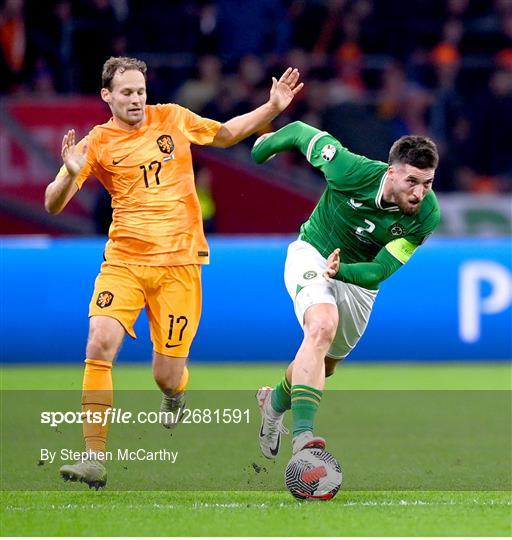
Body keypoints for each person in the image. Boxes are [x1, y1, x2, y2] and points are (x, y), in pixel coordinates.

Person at [44, 56, 303, 489]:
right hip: (124, 262)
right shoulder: (96, 143)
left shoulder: (173, 119)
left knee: (165, 374)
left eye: (140, 91)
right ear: (107, 96)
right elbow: (53, 203)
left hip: (179, 266)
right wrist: (70, 176)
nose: (136, 99)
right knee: (99, 342)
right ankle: (93, 456)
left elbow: (227, 133)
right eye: (126, 92)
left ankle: (174, 392)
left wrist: (273, 107)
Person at [252, 122, 440, 458]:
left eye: (427, 183)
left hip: (356, 278)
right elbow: (298, 131)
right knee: (321, 326)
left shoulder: (426, 215)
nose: (419, 193)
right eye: (412, 181)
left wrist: (344, 272)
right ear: (392, 172)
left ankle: (274, 403)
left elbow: (381, 270)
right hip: (314, 251)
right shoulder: (349, 169)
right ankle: (304, 439)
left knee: (324, 365)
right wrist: (263, 148)